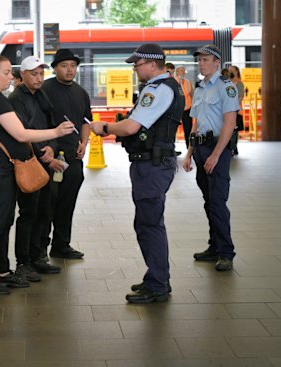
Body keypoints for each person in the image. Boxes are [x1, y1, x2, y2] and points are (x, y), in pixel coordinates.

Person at [91, 44, 184, 304]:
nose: (135, 68)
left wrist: (105, 126)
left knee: (150, 224)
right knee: (147, 223)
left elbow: (132, 127)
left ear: (153, 64)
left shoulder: (158, 90)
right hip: (152, 164)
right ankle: (156, 277)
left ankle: (158, 284)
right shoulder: (165, 87)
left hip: (152, 166)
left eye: (138, 64)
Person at [0, 55, 75, 294]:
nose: (11, 77)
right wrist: (56, 131)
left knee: (4, 221)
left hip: (4, 168)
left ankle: (1, 270)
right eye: (6, 72)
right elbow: (21, 134)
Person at [183, 44, 239, 272]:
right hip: (201, 150)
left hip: (218, 150)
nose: (201, 63)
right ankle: (214, 246)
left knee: (217, 202)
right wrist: (189, 153)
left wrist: (216, 155)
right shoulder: (200, 89)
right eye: (200, 60)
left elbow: (230, 123)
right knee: (209, 202)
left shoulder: (226, 88)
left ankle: (226, 252)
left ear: (217, 62)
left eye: (206, 60)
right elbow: (196, 124)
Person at [8, 55, 64, 281]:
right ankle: (23, 262)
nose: (39, 78)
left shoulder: (42, 96)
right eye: (34, 73)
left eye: (41, 73)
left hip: (46, 161)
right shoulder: (16, 99)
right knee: (28, 213)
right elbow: (23, 133)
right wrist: (46, 154)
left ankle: (39, 255)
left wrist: (52, 147)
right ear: (22, 75)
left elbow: (52, 127)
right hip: (29, 163)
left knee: (45, 210)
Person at [40, 48, 91, 260]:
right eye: (64, 66)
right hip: (50, 157)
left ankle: (62, 245)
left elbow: (86, 121)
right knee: (46, 204)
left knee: (67, 203)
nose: (69, 70)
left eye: (73, 66)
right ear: (55, 68)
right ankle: (40, 250)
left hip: (73, 156)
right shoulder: (45, 89)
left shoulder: (81, 92)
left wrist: (84, 143)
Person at [175, 66, 194, 148]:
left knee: (188, 129)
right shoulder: (174, 82)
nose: (183, 72)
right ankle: (172, 149)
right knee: (173, 128)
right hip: (177, 109)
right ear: (177, 72)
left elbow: (192, 94)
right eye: (181, 71)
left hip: (187, 108)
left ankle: (189, 147)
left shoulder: (188, 82)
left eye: (184, 71)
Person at [229, 65, 244, 155]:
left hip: (236, 110)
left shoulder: (239, 83)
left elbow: (241, 96)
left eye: (233, 70)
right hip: (227, 110)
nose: (231, 72)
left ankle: (234, 147)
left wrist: (234, 105)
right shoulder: (226, 82)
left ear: (237, 72)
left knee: (235, 129)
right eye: (229, 70)